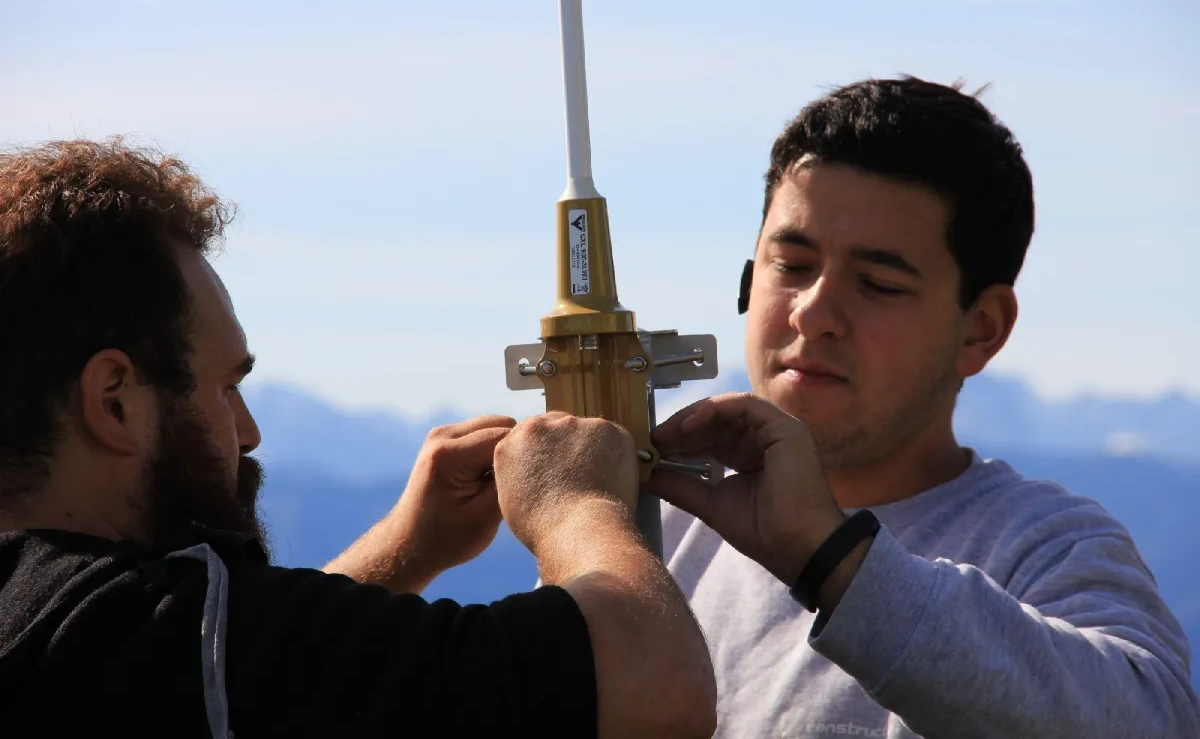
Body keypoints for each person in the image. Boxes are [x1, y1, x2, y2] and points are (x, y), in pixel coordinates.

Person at [0, 138, 717, 738]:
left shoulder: (76, 626)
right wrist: (576, 506)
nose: (247, 433)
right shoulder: (148, 629)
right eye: (225, 388)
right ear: (114, 403)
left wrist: (410, 546)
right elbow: (652, 684)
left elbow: (270, 685)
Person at [643, 77, 1200, 738]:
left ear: (980, 329)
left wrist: (831, 559)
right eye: (790, 265)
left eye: (878, 284)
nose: (813, 312)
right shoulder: (658, 530)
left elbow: (1151, 720)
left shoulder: (1049, 548)